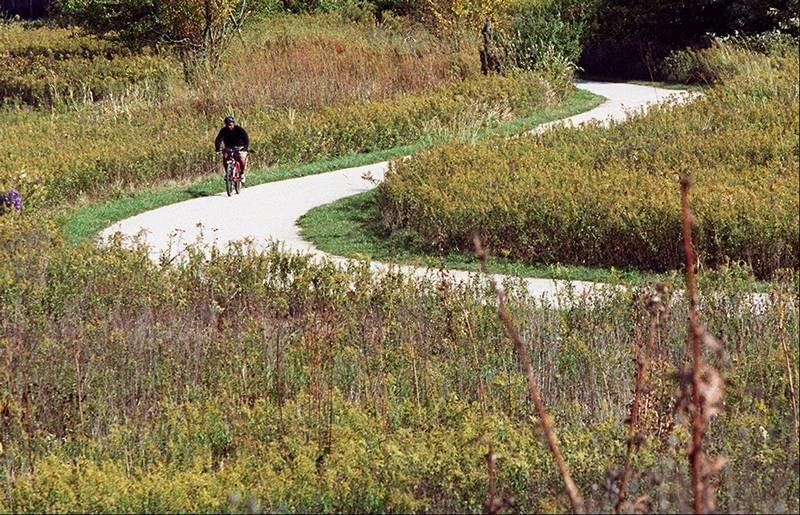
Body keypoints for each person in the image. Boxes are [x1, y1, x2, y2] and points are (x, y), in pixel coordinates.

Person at [215, 115, 250, 182]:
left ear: (233, 123)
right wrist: (217, 148)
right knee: (225, 158)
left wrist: (245, 147)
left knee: (241, 158)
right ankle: (227, 173)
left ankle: (242, 174)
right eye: (227, 124)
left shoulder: (239, 129)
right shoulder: (223, 130)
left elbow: (246, 138)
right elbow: (218, 139)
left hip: (240, 147)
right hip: (229, 147)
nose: (229, 126)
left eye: (230, 124)